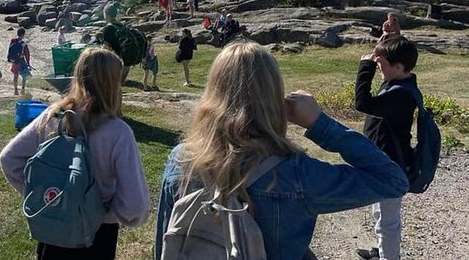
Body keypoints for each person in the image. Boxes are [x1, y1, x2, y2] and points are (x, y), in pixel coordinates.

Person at [155, 42, 409, 260]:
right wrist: (319, 123)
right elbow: (393, 181)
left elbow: (167, 245)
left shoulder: (181, 160)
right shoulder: (294, 173)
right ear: (275, 98)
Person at [0, 48, 151, 260]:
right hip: (96, 236)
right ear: (114, 83)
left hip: (53, 224)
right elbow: (135, 207)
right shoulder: (118, 133)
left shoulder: (54, 116)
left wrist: (43, 196)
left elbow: (9, 159)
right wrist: (104, 213)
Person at [354, 35, 419, 260]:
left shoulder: (400, 94)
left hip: (391, 166)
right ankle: (382, 252)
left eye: (382, 65)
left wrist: (365, 68)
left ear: (399, 66)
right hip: (385, 163)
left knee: (387, 222)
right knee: (380, 213)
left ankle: (389, 257)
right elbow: (393, 61)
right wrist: (388, 41)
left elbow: (362, 103)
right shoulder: (400, 83)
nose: (378, 67)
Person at [101, 4, 136, 83]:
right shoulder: (122, 26)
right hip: (126, 63)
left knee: (111, 87)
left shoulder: (109, 28)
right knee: (118, 87)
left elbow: (105, 48)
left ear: (106, 14)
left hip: (114, 63)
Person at [8, 27, 31, 96]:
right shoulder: (24, 44)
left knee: (15, 75)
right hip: (21, 61)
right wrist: (28, 63)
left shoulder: (13, 40)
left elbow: (10, 50)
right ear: (23, 35)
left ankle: (15, 90)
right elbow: (27, 54)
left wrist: (10, 59)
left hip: (14, 61)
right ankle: (22, 90)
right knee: (24, 76)